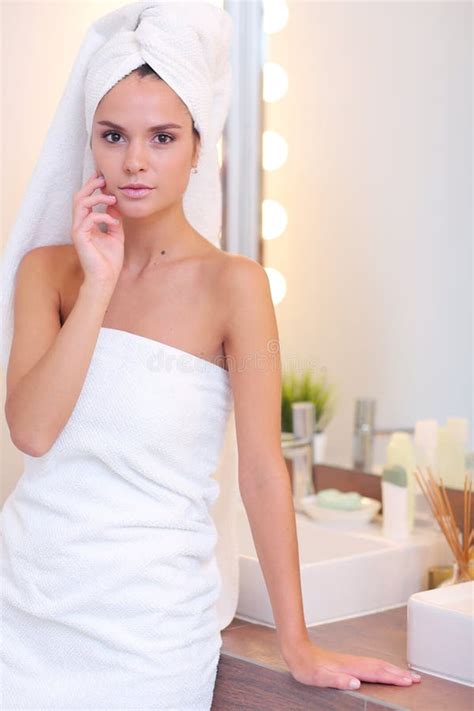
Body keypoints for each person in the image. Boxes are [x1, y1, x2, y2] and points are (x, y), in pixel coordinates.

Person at [0, 2, 421, 708]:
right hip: (24, 614)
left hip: (149, 638)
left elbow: (261, 472)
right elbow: (32, 431)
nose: (135, 161)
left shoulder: (236, 286)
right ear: (91, 142)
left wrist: (299, 641)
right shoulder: (50, 273)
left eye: (162, 137)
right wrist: (99, 284)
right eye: (113, 136)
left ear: (199, 144)